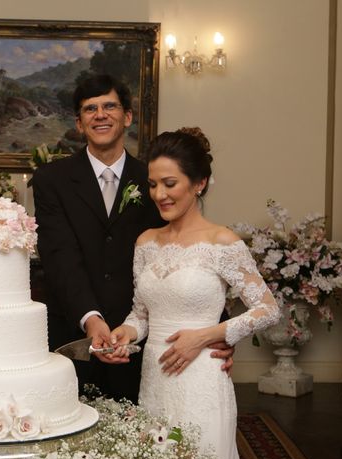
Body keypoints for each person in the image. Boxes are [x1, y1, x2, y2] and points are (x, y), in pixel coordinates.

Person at [32, 75, 233, 402]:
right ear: (79, 123)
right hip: (75, 333)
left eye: (109, 106)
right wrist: (90, 318)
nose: (100, 114)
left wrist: (218, 333)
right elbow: (59, 256)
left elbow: (189, 248)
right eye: (90, 109)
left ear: (127, 117)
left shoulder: (155, 181)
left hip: (147, 338)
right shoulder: (51, 181)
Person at [109, 127, 280, 459]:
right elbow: (141, 314)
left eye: (169, 184)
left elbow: (268, 309)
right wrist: (125, 333)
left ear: (199, 182)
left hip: (201, 378)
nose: (159, 194)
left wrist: (205, 336)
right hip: (155, 380)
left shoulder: (222, 242)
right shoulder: (146, 242)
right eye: (153, 184)